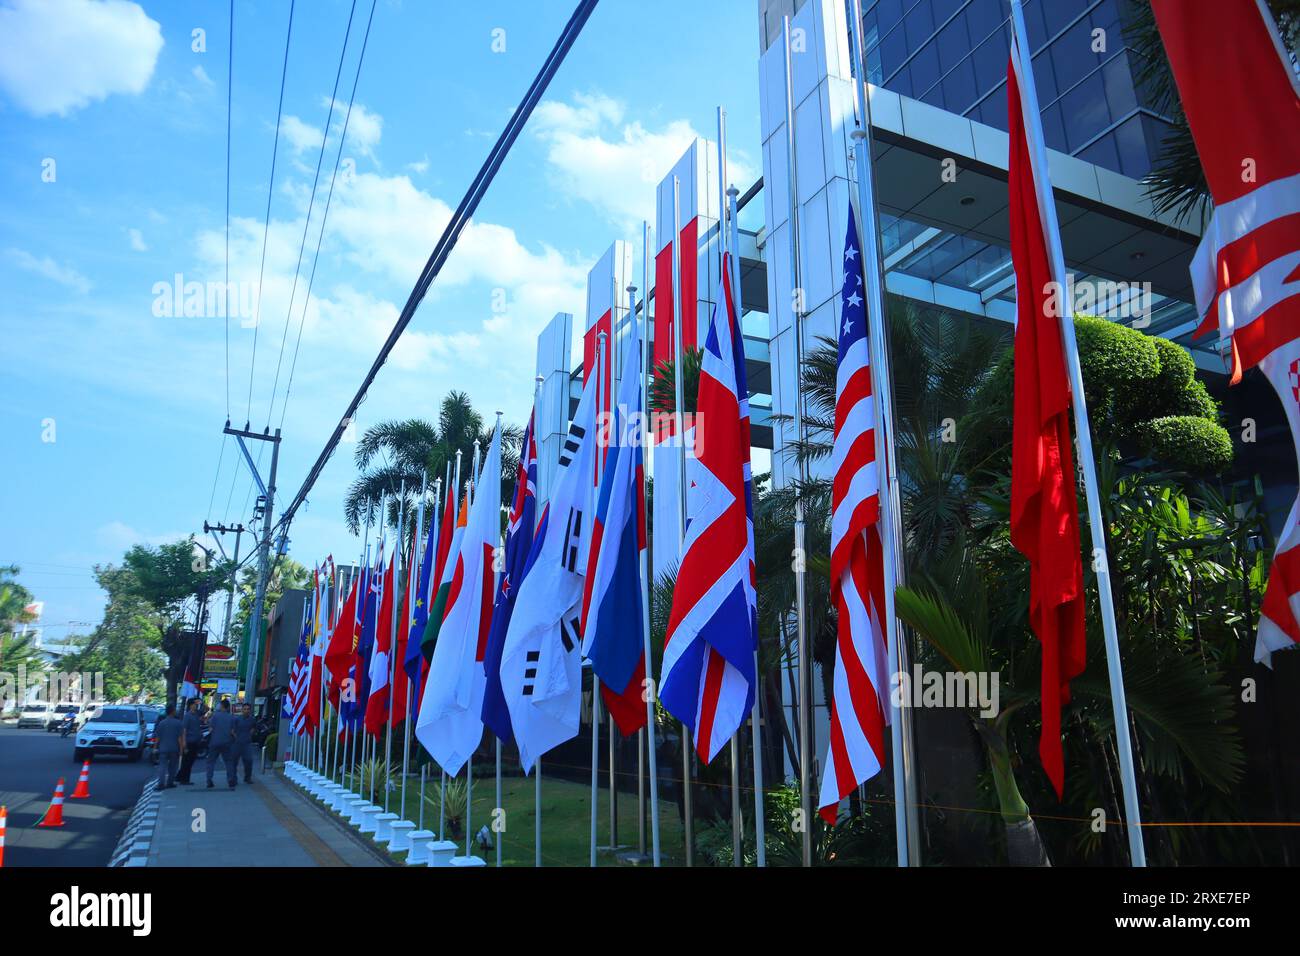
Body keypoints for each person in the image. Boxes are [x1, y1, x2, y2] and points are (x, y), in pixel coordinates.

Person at [206, 698, 238, 789]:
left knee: (211, 762)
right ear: (228, 707)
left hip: (214, 742)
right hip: (227, 743)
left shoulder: (215, 716)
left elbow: (210, 729)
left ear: (222, 706)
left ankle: (209, 780)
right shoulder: (232, 717)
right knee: (229, 762)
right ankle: (231, 780)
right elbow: (232, 732)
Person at [154, 703, 184, 790]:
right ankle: (170, 782)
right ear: (173, 712)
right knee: (172, 767)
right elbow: (180, 738)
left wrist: (155, 748)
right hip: (174, 748)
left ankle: (161, 784)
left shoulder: (162, 723)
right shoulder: (178, 723)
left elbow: (158, 738)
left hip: (163, 748)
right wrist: (181, 749)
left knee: (162, 766)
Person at [175, 699, 204, 785]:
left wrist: (201, 702)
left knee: (190, 761)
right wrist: (184, 743)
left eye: (196, 704)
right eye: (195, 704)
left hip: (195, 741)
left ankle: (180, 777)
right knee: (187, 761)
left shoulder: (196, 714)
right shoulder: (188, 716)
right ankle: (184, 779)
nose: (196, 705)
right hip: (189, 741)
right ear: (190, 705)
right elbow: (184, 730)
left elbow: (206, 709)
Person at [232, 703, 256, 784]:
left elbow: (253, 727)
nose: (246, 711)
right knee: (234, 762)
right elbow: (232, 731)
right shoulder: (237, 719)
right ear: (242, 710)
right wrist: (237, 738)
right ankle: (233, 778)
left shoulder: (252, 719)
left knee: (249, 760)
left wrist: (250, 734)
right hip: (237, 743)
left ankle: (247, 778)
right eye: (245, 709)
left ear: (250, 710)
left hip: (247, 744)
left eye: (248, 709)